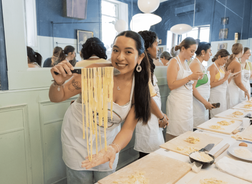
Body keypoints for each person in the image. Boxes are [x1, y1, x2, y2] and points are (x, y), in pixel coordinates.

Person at [49, 30, 168, 184]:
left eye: (128, 52)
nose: (120, 57)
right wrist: (58, 83)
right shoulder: (95, 71)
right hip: (76, 138)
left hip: (108, 142)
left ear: (140, 57)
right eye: (116, 50)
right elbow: (57, 97)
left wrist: (112, 148)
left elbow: (128, 129)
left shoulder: (139, 87)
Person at [134, 30, 165, 158]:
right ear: (147, 46)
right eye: (156, 44)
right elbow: (146, 96)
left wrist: (160, 114)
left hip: (154, 114)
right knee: (149, 156)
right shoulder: (142, 65)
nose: (158, 49)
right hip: (148, 115)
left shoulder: (148, 64)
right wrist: (161, 116)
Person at [166, 37, 203, 141]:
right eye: (191, 51)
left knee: (186, 133)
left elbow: (188, 83)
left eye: (194, 52)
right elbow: (171, 85)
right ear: (183, 49)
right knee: (175, 132)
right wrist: (190, 77)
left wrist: (196, 77)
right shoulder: (174, 62)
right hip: (177, 104)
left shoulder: (186, 63)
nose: (193, 54)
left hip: (186, 103)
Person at [189, 42, 214, 127]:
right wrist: (205, 102)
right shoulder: (196, 64)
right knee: (197, 128)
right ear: (203, 52)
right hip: (197, 103)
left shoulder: (200, 64)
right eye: (209, 51)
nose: (211, 54)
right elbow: (192, 88)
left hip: (203, 103)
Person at [225, 43, 250, 108]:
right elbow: (238, 82)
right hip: (232, 90)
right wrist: (246, 90)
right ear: (242, 51)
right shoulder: (237, 63)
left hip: (229, 88)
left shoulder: (231, 60)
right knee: (231, 110)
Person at [208, 49, 231, 118]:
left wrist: (230, 77)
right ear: (219, 57)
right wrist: (225, 78)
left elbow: (224, 82)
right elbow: (211, 85)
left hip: (222, 95)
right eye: (225, 59)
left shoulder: (222, 68)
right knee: (216, 116)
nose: (226, 62)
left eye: (227, 60)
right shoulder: (212, 67)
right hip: (215, 96)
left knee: (223, 115)